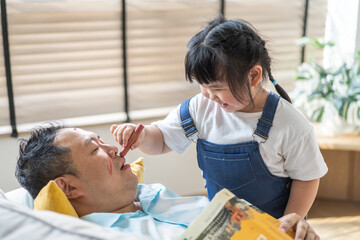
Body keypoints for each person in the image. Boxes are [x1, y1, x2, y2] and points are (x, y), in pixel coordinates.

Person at [111, 16, 328, 219]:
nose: (209, 96)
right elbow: (161, 140)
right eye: (202, 86)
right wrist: (141, 136)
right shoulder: (201, 107)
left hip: (273, 228)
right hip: (221, 223)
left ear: (253, 76)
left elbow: (307, 177)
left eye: (217, 88)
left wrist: (291, 221)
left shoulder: (290, 124)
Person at [16, 124, 320, 240]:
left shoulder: (155, 194)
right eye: (95, 149)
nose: (111, 147)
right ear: (69, 188)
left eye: (101, 140)